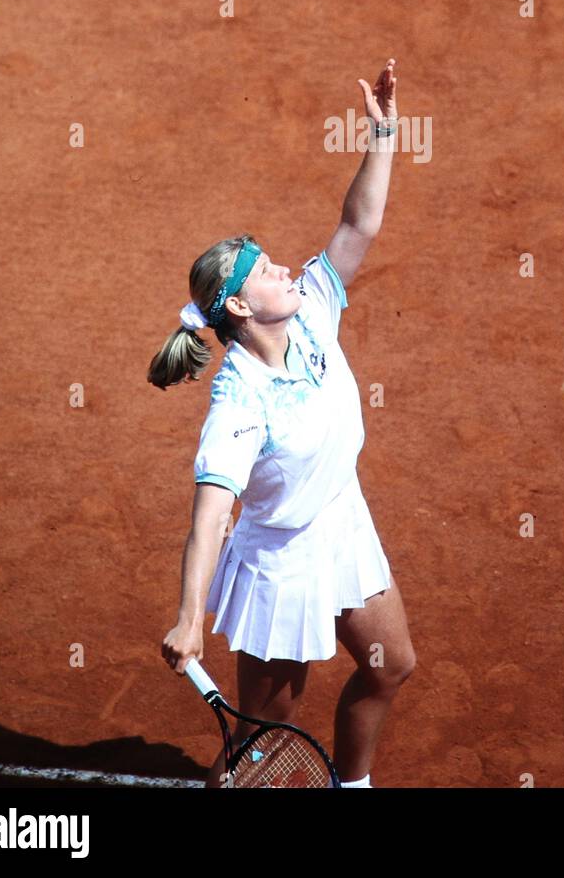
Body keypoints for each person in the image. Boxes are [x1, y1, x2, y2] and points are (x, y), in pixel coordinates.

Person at [151, 59, 415, 788]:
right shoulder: (239, 402)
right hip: (281, 565)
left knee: (391, 665)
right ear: (239, 307)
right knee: (263, 746)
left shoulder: (314, 315)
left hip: (341, 524)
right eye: (266, 271)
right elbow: (209, 520)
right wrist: (187, 617)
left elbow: (359, 220)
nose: (284, 272)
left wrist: (384, 131)